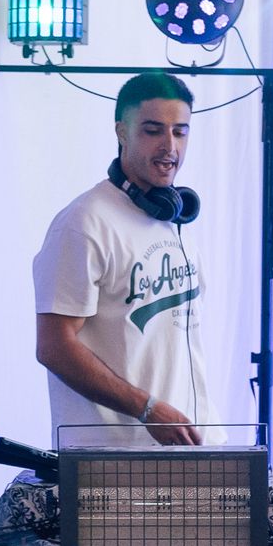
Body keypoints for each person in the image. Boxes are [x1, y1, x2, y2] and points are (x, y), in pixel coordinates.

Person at [33, 72, 210, 447]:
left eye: (180, 131)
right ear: (121, 132)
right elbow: (54, 346)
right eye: (152, 130)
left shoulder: (173, 220)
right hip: (108, 461)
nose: (170, 146)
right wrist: (148, 409)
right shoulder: (84, 223)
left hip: (184, 450)